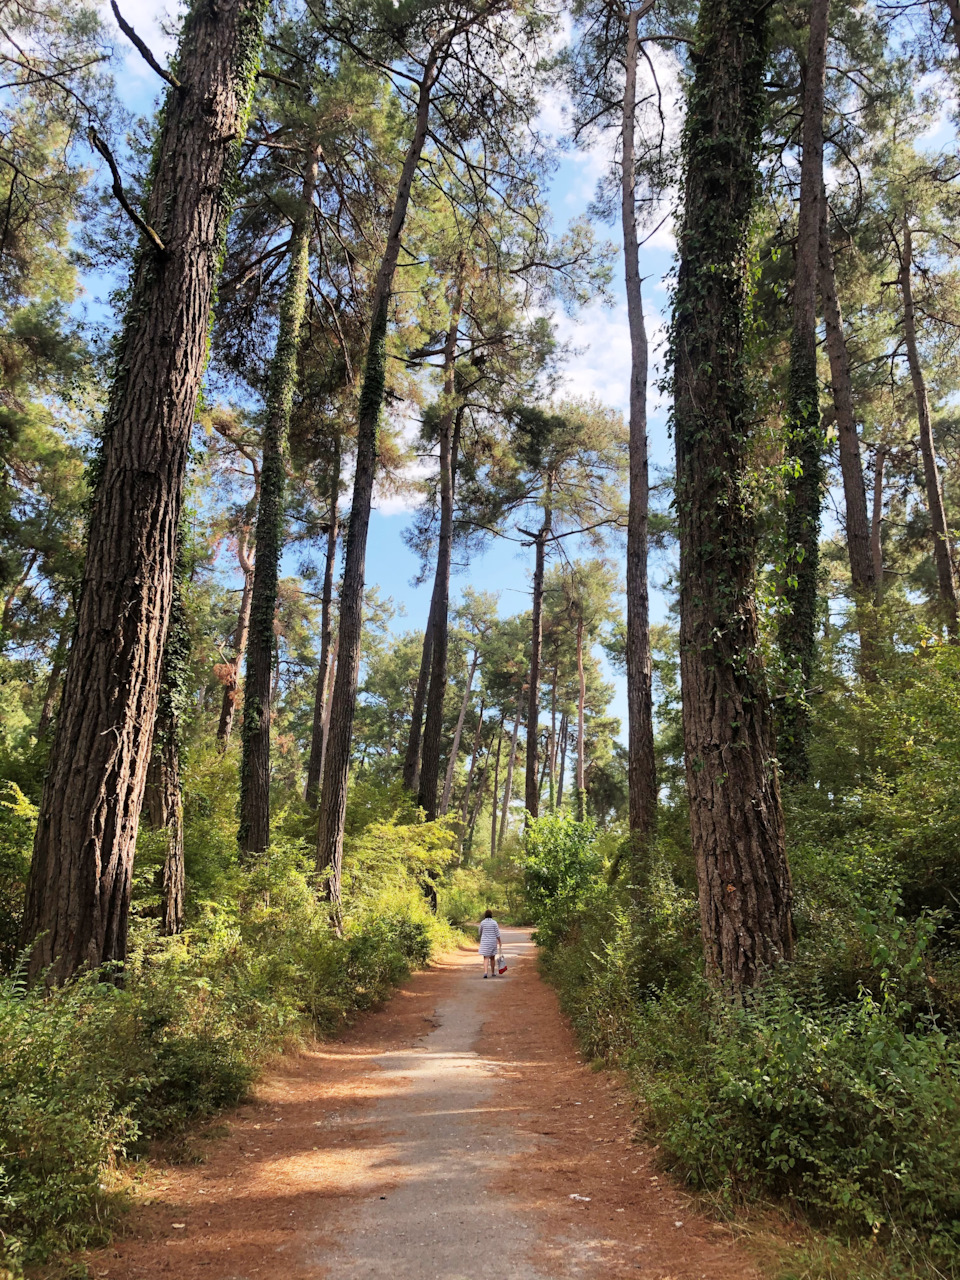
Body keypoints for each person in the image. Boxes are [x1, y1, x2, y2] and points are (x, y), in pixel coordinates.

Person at [477, 909, 501, 978]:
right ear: (491, 915)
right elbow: (497, 933)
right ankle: (493, 972)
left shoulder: (482, 923)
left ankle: (485, 972)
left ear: (485, 915)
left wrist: (482, 936)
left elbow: (479, 932)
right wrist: (499, 941)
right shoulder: (494, 923)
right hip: (492, 941)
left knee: (485, 957)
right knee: (492, 958)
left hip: (484, 942)